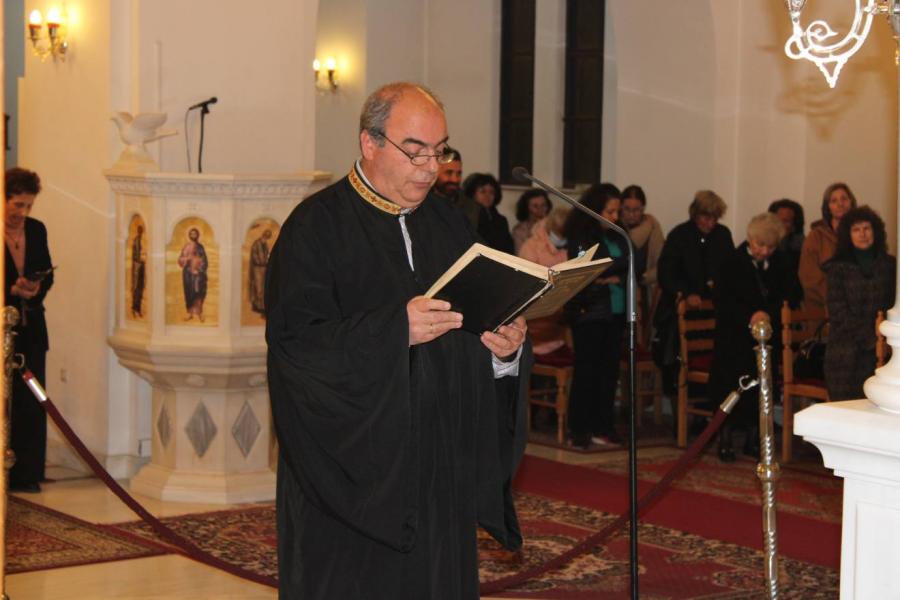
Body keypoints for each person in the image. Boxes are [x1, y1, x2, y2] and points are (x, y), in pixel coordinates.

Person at [265, 82, 530, 599]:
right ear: (370, 143)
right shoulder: (315, 228)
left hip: (440, 467)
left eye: (440, 151)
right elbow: (296, 346)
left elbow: (475, 321)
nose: (431, 168)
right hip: (351, 479)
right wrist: (394, 330)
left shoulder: (450, 223)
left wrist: (505, 350)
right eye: (416, 151)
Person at [707, 213, 801, 462]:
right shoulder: (731, 262)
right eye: (760, 245)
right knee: (730, 387)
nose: (765, 251)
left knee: (762, 387)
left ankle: (754, 438)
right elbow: (723, 300)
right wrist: (750, 316)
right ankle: (725, 439)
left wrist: (768, 313)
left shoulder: (781, 263)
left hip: (766, 338)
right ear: (750, 239)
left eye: (771, 247)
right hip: (733, 337)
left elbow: (790, 295)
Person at [653, 190, 734, 399]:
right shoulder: (680, 235)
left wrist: (720, 286)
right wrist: (686, 293)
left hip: (713, 309)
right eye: (706, 218)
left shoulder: (723, 235)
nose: (711, 223)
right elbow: (666, 273)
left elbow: (731, 269)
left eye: (715, 218)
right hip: (683, 309)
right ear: (695, 214)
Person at [564, 183, 628, 448]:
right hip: (590, 311)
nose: (615, 216)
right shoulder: (582, 234)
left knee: (609, 373)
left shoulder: (618, 234)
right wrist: (613, 270)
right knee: (587, 371)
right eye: (610, 211)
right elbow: (590, 267)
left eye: (617, 211)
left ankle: (604, 426)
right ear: (595, 209)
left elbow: (634, 261)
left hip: (616, 310)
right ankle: (579, 428)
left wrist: (615, 272)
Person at [4, 167, 53, 493]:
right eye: (17, 204)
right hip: (2, 326)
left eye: (29, 206)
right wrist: (10, 290)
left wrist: (35, 288)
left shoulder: (36, 229)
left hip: (31, 328)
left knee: (33, 400)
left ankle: (27, 472)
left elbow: (47, 272)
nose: (23, 212)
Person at [824, 206, 895, 401]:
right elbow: (838, 313)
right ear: (848, 235)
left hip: (885, 349)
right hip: (845, 352)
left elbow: (892, 306)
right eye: (856, 229)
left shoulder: (890, 265)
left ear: (875, 231)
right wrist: (871, 339)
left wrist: (883, 340)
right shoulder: (837, 268)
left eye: (866, 228)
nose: (862, 234)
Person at [519, 206, 571, 355]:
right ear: (551, 228)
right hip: (537, 317)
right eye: (558, 233)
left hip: (561, 316)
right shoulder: (531, 246)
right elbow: (527, 284)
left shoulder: (572, 245)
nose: (561, 238)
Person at [799, 182, 856, 312]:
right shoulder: (816, 236)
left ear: (851, 202)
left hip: (858, 306)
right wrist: (837, 300)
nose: (840, 204)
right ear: (827, 207)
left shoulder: (861, 234)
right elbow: (809, 277)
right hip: (822, 309)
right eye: (834, 201)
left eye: (844, 199)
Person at [621, 184, 665, 333]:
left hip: (645, 290)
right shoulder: (615, 227)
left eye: (636, 210)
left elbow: (661, 263)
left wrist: (644, 278)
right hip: (619, 290)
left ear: (643, 208)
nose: (631, 214)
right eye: (627, 209)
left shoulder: (652, 227)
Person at [464, 172, 515, 254]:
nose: (487, 195)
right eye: (483, 191)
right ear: (472, 194)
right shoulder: (466, 216)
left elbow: (508, 248)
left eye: (491, 192)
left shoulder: (501, 220)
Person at [431, 148, 479, 228]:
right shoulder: (420, 204)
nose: (455, 179)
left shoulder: (471, 208)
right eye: (448, 173)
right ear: (435, 172)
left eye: (458, 174)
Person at [177, 227, 208, 322]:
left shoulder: (200, 247)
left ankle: (199, 313)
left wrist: (199, 269)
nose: (193, 235)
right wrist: (186, 259)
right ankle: (190, 313)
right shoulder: (186, 247)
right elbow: (180, 260)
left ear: (197, 235)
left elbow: (204, 261)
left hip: (198, 275)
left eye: (195, 234)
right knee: (189, 293)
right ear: (189, 235)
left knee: (198, 293)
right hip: (188, 274)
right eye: (191, 234)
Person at [768, 198, 805, 276]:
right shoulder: (757, 245)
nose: (779, 224)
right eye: (776, 220)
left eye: (785, 221)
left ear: (794, 225)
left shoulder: (804, 249)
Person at [512, 189, 552, 253]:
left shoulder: (554, 227)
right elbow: (521, 254)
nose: (540, 209)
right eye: (535, 206)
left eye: (543, 205)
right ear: (526, 208)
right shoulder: (519, 231)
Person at [249, 228, 272, 316]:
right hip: (257, 269)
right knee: (258, 287)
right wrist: (261, 262)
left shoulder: (265, 244)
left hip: (264, 268)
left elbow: (267, 254)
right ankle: (258, 306)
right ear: (263, 235)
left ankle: (262, 306)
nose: (266, 239)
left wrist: (267, 260)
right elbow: (254, 256)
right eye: (266, 237)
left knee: (263, 286)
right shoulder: (256, 244)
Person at [130, 223, 146, 318]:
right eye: (140, 230)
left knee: (141, 288)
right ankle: (134, 308)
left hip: (141, 265)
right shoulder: (136, 240)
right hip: (137, 266)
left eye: (141, 230)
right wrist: (139, 260)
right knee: (136, 288)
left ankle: (138, 309)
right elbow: (135, 255)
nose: (141, 232)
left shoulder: (142, 240)